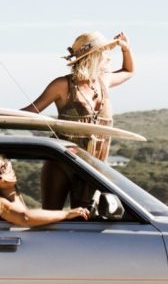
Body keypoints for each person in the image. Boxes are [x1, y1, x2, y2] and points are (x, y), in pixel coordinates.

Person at [22, 31, 134, 209]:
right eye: (105, 53)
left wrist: (126, 50)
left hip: (93, 166)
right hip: (62, 161)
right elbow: (31, 111)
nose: (109, 57)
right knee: (51, 218)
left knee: (84, 220)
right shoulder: (62, 85)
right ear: (93, 57)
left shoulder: (103, 81)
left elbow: (128, 71)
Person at [0, 152, 89, 227]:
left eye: (5, 165)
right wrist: (67, 214)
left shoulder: (14, 194)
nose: (7, 171)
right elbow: (25, 217)